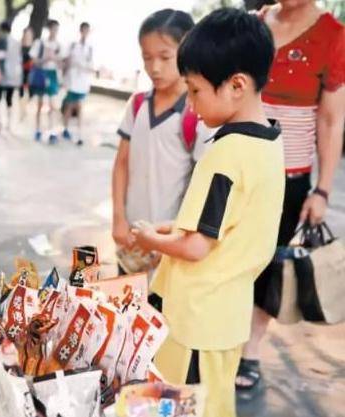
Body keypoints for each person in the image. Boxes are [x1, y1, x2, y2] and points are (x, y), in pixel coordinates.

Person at [131, 9, 284, 417]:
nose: (192, 105)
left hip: (195, 318)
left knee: (179, 405)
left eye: (196, 91)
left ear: (236, 85)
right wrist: (170, 228)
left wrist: (150, 239)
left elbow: (197, 245)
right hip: (227, 315)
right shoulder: (269, 144)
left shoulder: (225, 155)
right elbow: (226, 226)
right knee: (215, 404)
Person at [237, 0, 345, 393]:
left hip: (288, 178)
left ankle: (248, 352)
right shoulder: (255, 22)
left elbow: (332, 120)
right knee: (221, 255)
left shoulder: (332, 35)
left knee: (267, 267)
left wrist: (322, 189)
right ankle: (216, 340)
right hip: (235, 168)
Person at [112, 10, 210, 275]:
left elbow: (200, 184)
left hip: (169, 242)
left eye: (165, 57)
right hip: (132, 237)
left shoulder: (196, 113)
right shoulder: (137, 105)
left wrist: (173, 236)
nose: (154, 67)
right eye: (147, 57)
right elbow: (121, 163)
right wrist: (119, 218)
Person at [61, 22, 94, 146]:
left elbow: (92, 66)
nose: (85, 33)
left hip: (83, 82)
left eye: (87, 30)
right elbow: (65, 61)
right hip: (72, 81)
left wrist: (83, 67)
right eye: (83, 30)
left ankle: (79, 134)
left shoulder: (90, 48)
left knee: (80, 106)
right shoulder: (73, 45)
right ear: (80, 31)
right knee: (69, 106)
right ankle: (66, 129)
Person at [30, 19, 62, 143]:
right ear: (48, 29)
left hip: (53, 75)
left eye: (56, 30)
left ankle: (51, 131)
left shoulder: (59, 45)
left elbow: (62, 63)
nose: (55, 32)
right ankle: (37, 130)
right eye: (53, 29)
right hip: (41, 74)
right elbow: (33, 60)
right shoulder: (40, 43)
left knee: (53, 105)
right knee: (39, 104)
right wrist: (45, 59)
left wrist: (55, 59)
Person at [0, 21, 22, 132]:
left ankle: (0, 123)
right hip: (13, 76)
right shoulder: (16, 43)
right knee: (9, 100)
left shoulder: (2, 41)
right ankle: (9, 125)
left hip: (1, 76)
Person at [19, 26, 35, 120]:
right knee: (21, 94)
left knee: (30, 95)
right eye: (26, 34)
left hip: (31, 73)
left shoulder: (34, 47)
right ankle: (22, 113)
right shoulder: (19, 46)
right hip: (21, 74)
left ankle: (26, 112)